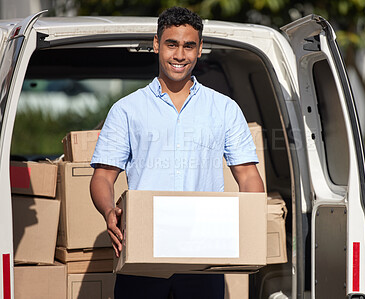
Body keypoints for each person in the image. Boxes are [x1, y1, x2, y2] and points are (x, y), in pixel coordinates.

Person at [90, 6, 264, 299]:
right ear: (157, 44)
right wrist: (109, 210)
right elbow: (103, 178)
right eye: (171, 44)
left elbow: (248, 177)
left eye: (189, 46)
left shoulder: (224, 109)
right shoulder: (127, 110)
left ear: (200, 49)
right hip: (142, 257)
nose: (180, 55)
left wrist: (249, 229)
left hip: (204, 258)